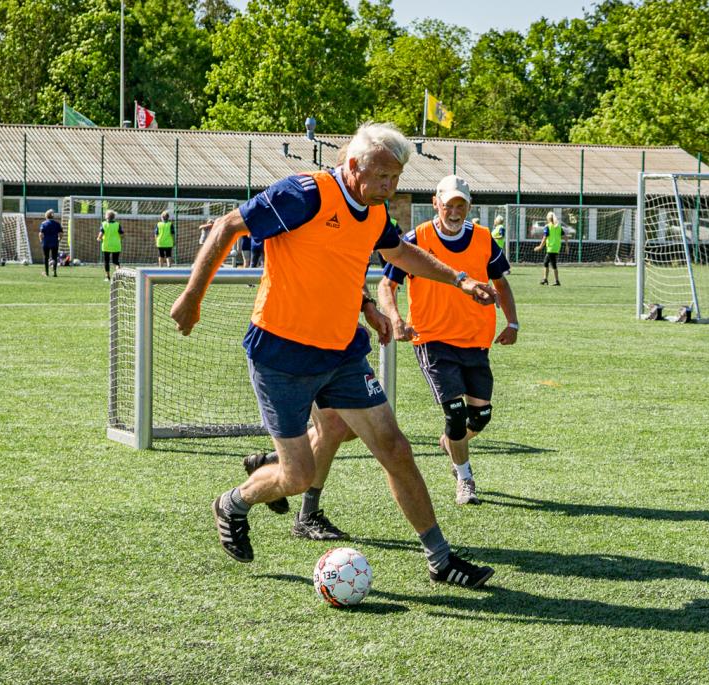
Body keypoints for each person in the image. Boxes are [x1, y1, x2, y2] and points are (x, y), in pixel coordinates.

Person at [169, 122, 500, 588]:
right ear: (352, 165)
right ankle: (234, 502)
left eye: (397, 178)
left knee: (395, 448)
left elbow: (398, 254)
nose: (390, 186)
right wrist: (192, 297)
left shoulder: (374, 212)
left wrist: (458, 281)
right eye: (382, 176)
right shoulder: (304, 194)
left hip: (343, 353)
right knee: (298, 474)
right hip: (281, 354)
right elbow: (227, 226)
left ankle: (441, 560)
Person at [380, 174, 518, 505]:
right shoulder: (415, 239)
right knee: (455, 414)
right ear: (435, 204)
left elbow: (500, 283)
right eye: (448, 205)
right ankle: (465, 478)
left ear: (468, 207)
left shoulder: (484, 239)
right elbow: (387, 285)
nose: (454, 212)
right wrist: (395, 318)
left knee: (479, 417)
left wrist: (513, 322)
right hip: (433, 339)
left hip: (475, 340)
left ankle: (450, 443)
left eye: (461, 205)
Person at [537, 211, 561, 286]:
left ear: (548, 218)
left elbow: (545, 237)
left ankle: (557, 281)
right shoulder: (558, 226)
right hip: (556, 248)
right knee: (546, 262)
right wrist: (566, 245)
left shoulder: (548, 226)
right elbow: (565, 236)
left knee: (553, 265)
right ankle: (545, 279)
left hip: (551, 248)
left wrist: (540, 246)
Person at [97, 210, 122, 280]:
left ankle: (107, 277)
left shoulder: (104, 224)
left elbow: (101, 233)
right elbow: (122, 234)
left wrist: (99, 238)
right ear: (114, 217)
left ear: (106, 217)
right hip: (116, 245)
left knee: (106, 261)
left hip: (106, 245)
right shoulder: (117, 224)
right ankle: (119, 273)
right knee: (115, 261)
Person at [39, 210, 63, 277]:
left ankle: (46, 273)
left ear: (46, 216)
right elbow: (61, 233)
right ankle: (55, 273)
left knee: (46, 257)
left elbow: (41, 234)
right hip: (54, 242)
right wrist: (59, 239)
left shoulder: (43, 223)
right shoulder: (57, 223)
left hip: (46, 242)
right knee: (54, 257)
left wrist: (41, 240)